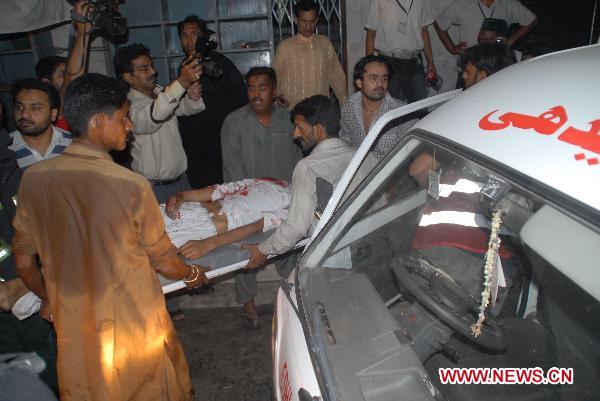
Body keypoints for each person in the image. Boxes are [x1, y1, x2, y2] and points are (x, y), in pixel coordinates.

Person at [12, 73, 209, 401]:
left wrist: (52, 299)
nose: (130, 126)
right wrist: (192, 274)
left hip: (74, 326)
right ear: (98, 122)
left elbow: (24, 264)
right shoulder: (130, 185)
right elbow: (163, 259)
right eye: (124, 117)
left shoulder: (34, 180)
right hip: (132, 326)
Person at [241, 95, 357, 322]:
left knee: (329, 322)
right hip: (363, 251)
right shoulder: (362, 156)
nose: (295, 134)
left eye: (299, 128)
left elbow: (296, 227)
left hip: (332, 262)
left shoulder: (307, 167)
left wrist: (262, 249)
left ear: (319, 129)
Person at [114, 43, 204, 203]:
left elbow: (181, 109)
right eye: (144, 69)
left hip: (182, 181)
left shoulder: (158, 91)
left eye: (151, 65)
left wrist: (192, 96)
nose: (153, 71)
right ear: (127, 77)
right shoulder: (126, 105)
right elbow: (154, 116)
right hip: (154, 189)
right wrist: (181, 82)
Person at [177, 15, 248, 188]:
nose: (189, 40)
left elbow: (241, 99)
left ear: (202, 36)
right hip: (193, 145)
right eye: (184, 35)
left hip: (219, 142)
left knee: (221, 193)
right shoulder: (184, 66)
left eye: (193, 34)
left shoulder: (219, 63)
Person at [163, 178, 290, 260]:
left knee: (152, 251)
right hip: (190, 209)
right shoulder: (274, 182)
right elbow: (223, 190)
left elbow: (258, 225)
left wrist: (208, 244)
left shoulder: (295, 209)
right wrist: (182, 196)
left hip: (203, 230)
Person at [221, 66, 302, 183]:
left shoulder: (289, 121)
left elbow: (297, 163)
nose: (256, 95)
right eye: (251, 89)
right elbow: (232, 168)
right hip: (247, 197)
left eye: (262, 89)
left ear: (274, 92)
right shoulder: (234, 122)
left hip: (284, 195)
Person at [272, 0, 347, 109]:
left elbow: (337, 77)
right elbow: (274, 76)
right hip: (292, 110)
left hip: (320, 110)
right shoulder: (285, 46)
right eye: (304, 21)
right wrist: (279, 95)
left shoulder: (324, 43)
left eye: (312, 21)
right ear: (295, 20)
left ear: (317, 20)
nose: (308, 26)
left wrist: (344, 104)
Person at [340, 55, 416, 160]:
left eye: (384, 78)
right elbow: (345, 140)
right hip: (356, 170)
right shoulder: (350, 106)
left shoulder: (402, 113)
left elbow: (411, 153)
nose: (380, 83)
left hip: (388, 172)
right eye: (373, 78)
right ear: (359, 83)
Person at [365, 0, 436, 104]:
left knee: (420, 109)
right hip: (388, 63)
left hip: (415, 62)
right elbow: (371, 33)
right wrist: (369, 67)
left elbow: (424, 31)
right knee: (391, 111)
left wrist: (431, 62)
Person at [38, 0, 92, 132]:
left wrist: (84, 30)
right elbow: (71, 78)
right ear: (46, 82)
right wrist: (82, 32)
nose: (67, 76)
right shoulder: (52, 108)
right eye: (62, 74)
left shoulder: (76, 102)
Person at [8, 79, 71, 170]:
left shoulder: (73, 144)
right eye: (19, 107)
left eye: (35, 108)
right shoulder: (5, 148)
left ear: (53, 113)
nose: (24, 114)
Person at [434, 0, 536, 56]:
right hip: (471, 64)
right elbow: (439, 23)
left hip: (498, 62)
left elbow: (531, 20)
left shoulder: (507, 3)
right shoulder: (462, 3)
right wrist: (452, 48)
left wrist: (510, 41)